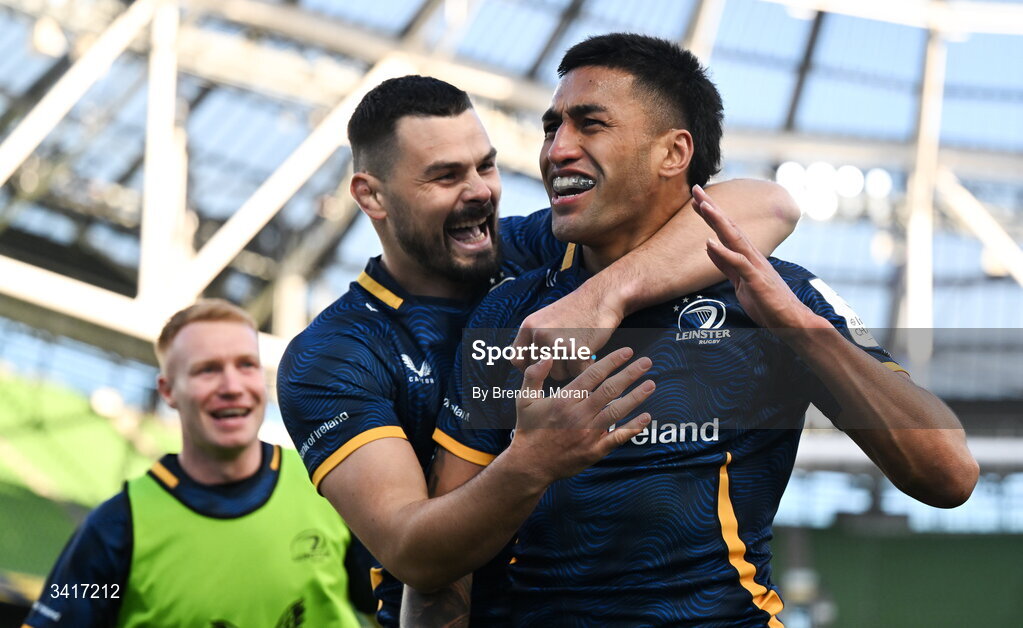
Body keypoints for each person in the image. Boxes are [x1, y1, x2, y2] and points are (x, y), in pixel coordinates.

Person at [430, 33, 979, 626]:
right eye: (551, 128)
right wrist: (527, 463)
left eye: (591, 125)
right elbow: (439, 565)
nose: (557, 149)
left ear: (674, 153)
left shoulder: (775, 294)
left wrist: (800, 329)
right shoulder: (511, 313)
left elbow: (949, 474)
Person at [277, 75, 800, 626]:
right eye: (446, 176)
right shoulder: (333, 354)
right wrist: (530, 463)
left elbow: (770, 206)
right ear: (372, 195)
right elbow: (413, 552)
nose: (480, 191)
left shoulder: (539, 247)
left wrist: (603, 294)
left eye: (486, 166)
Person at [23, 300, 369, 628]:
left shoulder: (328, 482)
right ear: (168, 391)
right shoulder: (116, 529)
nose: (232, 386)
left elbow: (391, 605)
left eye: (246, 365)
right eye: (208, 370)